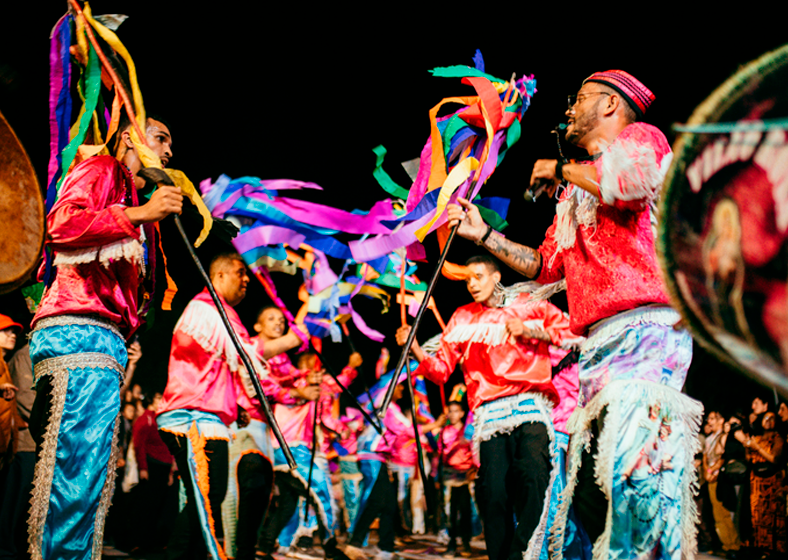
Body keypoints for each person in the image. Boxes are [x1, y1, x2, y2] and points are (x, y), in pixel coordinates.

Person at [447, 70, 700, 559]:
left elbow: (626, 185)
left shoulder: (640, 138)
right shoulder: (574, 191)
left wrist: (559, 169)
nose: (568, 109)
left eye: (579, 98)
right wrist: (483, 236)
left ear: (609, 104)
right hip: (597, 347)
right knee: (588, 489)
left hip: (647, 332)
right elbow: (544, 268)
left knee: (637, 473)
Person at [26, 116, 183, 560]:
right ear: (130, 136)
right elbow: (60, 226)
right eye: (161, 138)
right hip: (78, 332)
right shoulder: (104, 169)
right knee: (75, 468)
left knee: (91, 471)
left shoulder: (136, 196)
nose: (169, 152)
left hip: (103, 341)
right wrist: (138, 215)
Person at [396, 255, 572, 560]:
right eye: (467, 279)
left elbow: (572, 332)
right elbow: (440, 371)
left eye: (478, 276)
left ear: (496, 276)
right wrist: (414, 348)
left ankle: (523, 553)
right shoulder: (462, 317)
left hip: (531, 405)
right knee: (493, 496)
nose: (472, 284)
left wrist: (532, 331)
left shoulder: (530, 306)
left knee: (534, 478)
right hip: (490, 414)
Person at [156, 252, 311, 560]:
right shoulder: (207, 308)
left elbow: (226, 366)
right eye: (240, 273)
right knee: (208, 502)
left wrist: (235, 401)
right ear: (219, 277)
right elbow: (247, 355)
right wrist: (299, 335)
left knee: (207, 500)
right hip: (193, 418)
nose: (246, 280)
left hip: (209, 419)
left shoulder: (223, 312)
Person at [738, 411, 786, 558]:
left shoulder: (778, 438)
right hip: (756, 480)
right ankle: (760, 548)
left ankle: (775, 550)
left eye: (772, 418)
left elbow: (775, 459)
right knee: (757, 516)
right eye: (766, 418)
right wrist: (747, 446)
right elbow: (748, 458)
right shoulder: (757, 437)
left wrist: (757, 447)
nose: (769, 421)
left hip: (771, 480)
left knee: (772, 515)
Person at [440, 400, 474, 557]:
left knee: (466, 510)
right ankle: (452, 542)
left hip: (467, 475)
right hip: (449, 474)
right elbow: (440, 453)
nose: (452, 414)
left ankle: (466, 542)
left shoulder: (469, 430)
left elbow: (475, 451)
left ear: (461, 413)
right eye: (450, 411)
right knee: (450, 511)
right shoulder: (444, 431)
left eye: (455, 411)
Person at [703, 410, 741, 554]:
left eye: (712, 419)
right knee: (716, 514)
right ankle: (726, 544)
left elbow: (722, 457)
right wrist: (707, 470)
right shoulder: (708, 438)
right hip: (710, 477)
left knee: (724, 512)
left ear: (721, 420)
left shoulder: (723, 436)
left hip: (720, 477)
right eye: (709, 419)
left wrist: (712, 471)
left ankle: (733, 544)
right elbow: (706, 456)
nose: (709, 422)